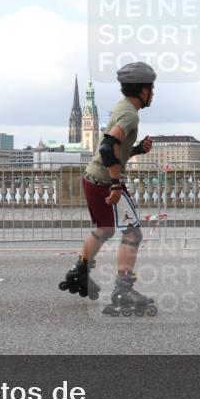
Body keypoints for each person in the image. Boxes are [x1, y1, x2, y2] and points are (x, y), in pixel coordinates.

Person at [58, 62, 158, 316]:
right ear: (142, 91)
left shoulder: (121, 107)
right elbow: (106, 147)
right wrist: (116, 183)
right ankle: (123, 288)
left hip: (91, 176)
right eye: (151, 88)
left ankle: (79, 271)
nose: (153, 93)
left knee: (104, 229)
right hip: (105, 180)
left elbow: (115, 147)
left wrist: (136, 150)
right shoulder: (130, 114)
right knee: (133, 234)